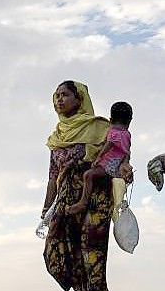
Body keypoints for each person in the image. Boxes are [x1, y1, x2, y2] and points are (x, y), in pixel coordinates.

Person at [42, 80, 113, 290]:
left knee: (92, 260)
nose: (59, 100)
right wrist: (46, 209)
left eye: (64, 95)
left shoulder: (99, 127)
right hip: (65, 203)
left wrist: (125, 169)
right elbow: (52, 177)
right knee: (58, 255)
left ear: (79, 98)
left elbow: (118, 154)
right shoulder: (57, 136)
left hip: (95, 198)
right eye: (56, 96)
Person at [67, 101, 133, 214]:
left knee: (88, 175)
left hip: (109, 165)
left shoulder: (113, 132)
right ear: (129, 121)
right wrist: (126, 163)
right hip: (118, 166)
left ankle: (83, 203)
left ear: (110, 120)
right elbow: (127, 151)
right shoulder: (127, 134)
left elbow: (109, 144)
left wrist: (98, 157)